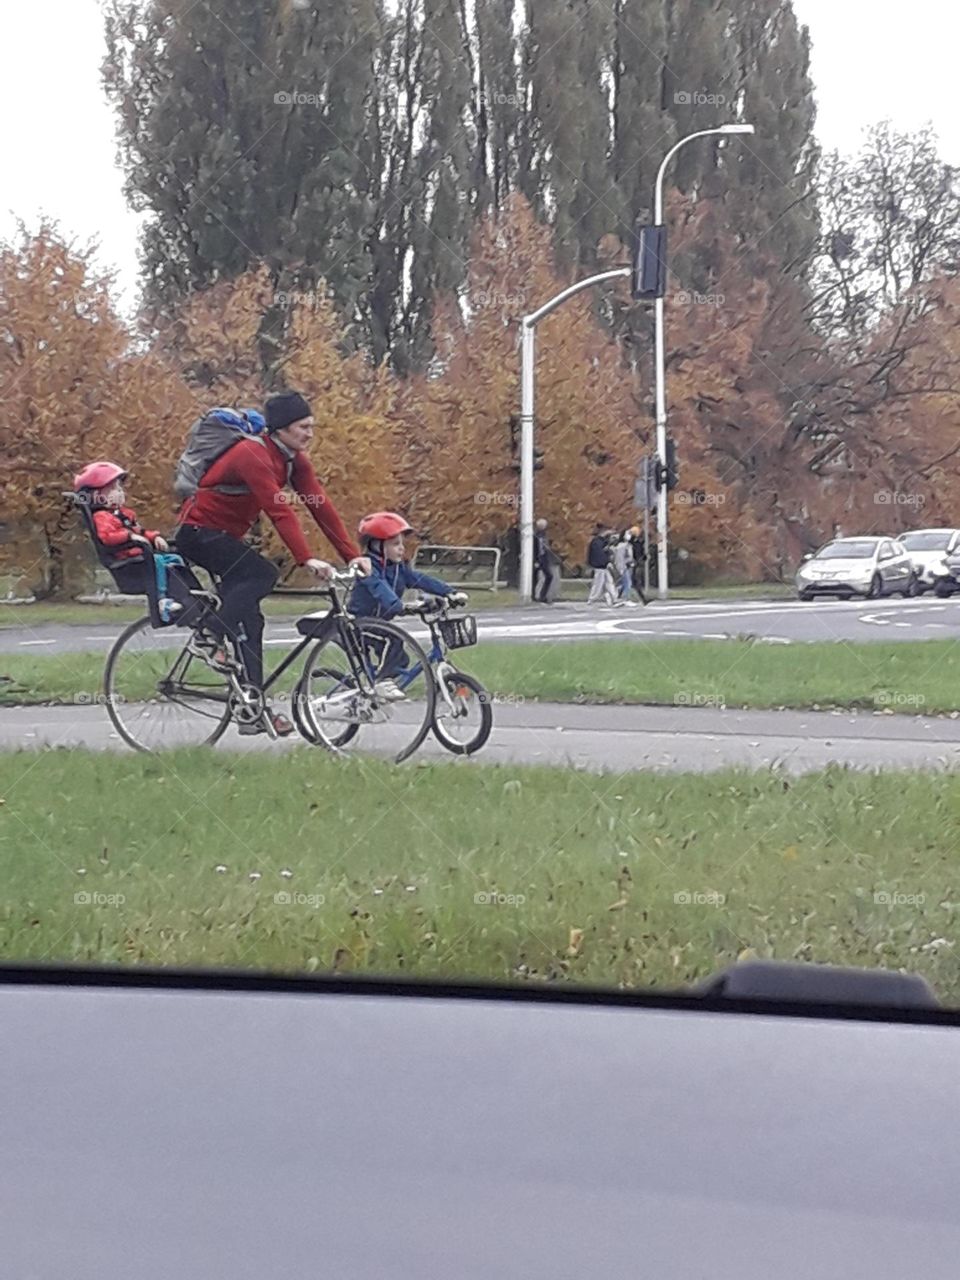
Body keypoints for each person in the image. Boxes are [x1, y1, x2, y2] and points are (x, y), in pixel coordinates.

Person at [175, 391, 370, 736]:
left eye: (312, 426)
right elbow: (278, 508)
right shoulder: (252, 454)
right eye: (302, 427)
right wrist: (305, 557)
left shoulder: (294, 460)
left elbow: (320, 506)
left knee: (251, 620)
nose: (310, 433)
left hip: (224, 538)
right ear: (280, 429)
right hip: (199, 534)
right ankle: (208, 634)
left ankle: (251, 709)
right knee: (263, 573)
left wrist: (352, 554)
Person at [348, 512, 466, 698]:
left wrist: (449, 592)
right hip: (358, 624)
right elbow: (380, 589)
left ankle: (379, 688)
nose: (402, 549)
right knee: (393, 640)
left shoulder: (398, 568)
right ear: (377, 546)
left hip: (379, 625)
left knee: (401, 658)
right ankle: (381, 683)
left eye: (402, 543)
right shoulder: (368, 569)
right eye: (395, 544)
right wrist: (399, 606)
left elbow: (419, 579)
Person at [73, 461, 202, 621]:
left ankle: (195, 598)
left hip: (140, 556)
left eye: (120, 488)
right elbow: (107, 537)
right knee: (163, 565)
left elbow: (140, 531)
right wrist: (130, 537)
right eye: (113, 489)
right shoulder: (102, 517)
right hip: (131, 563)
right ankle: (164, 601)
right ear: (96, 496)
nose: (120, 492)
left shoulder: (123, 515)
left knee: (176, 560)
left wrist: (154, 537)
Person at [586, 523, 617, 605]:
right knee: (598, 583)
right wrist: (606, 562)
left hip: (603, 566)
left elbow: (606, 552)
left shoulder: (602, 541)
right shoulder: (597, 542)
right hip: (600, 566)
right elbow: (599, 554)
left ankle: (614, 598)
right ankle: (592, 598)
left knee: (609, 582)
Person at [532, 518, 559, 604]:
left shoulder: (544, 535)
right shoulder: (535, 536)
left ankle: (542, 596)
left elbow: (545, 547)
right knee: (535, 578)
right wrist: (535, 560)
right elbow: (535, 549)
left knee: (549, 576)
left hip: (544, 558)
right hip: (538, 558)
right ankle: (535, 595)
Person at [612, 530, 636, 606]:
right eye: (628, 534)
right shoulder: (621, 546)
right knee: (628, 583)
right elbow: (619, 559)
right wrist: (621, 568)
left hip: (628, 566)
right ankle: (625, 599)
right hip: (623, 567)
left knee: (624, 583)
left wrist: (631, 562)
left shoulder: (628, 545)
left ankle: (617, 597)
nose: (629, 536)